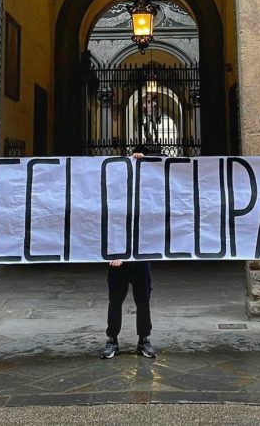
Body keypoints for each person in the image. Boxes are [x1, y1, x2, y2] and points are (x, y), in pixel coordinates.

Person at [100, 146, 156, 360]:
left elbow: (164, 175)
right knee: (115, 301)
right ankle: (112, 339)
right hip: (118, 258)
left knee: (143, 301)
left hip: (141, 258)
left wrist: (142, 160)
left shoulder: (148, 197)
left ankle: (144, 339)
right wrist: (112, 254)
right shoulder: (114, 200)